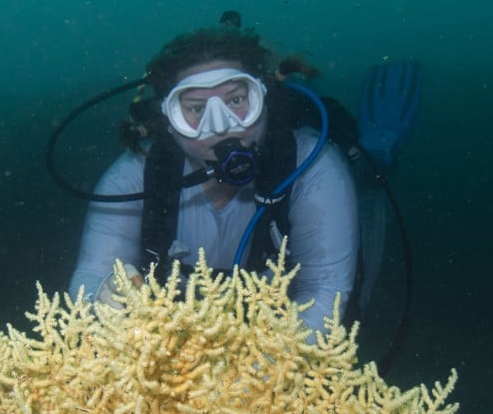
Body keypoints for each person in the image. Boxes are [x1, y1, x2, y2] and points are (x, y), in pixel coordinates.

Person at [68, 25, 359, 335]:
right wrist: (101, 297)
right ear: (167, 119)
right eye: (196, 108)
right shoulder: (132, 176)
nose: (221, 127)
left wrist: (259, 378)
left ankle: (375, 156)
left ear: (264, 98)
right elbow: (91, 273)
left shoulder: (313, 165)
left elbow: (326, 291)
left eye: (235, 101)